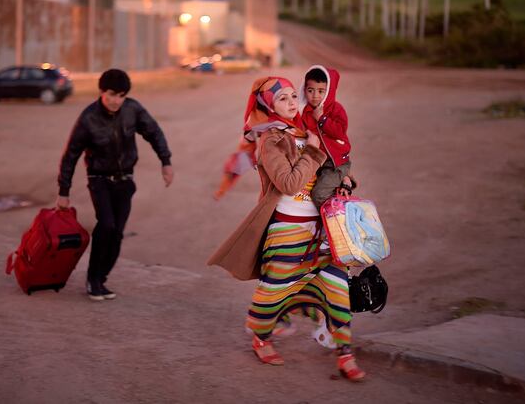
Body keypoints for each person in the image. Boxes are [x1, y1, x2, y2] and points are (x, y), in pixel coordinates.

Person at [208, 76, 365, 381]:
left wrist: (346, 179)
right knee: (274, 292)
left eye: (295, 95)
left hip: (321, 230)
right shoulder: (270, 140)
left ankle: (345, 354)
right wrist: (314, 152)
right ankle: (261, 338)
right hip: (287, 231)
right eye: (283, 99)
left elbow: (335, 162)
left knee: (337, 289)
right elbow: (290, 184)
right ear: (268, 104)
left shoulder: (306, 130)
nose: (293, 102)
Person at [56, 69, 174, 301]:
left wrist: (166, 162)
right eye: (111, 95)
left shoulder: (132, 109)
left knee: (117, 233)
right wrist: (64, 191)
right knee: (107, 225)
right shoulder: (88, 118)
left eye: (121, 95)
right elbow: (71, 154)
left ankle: (101, 279)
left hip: (125, 181)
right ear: (102, 92)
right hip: (99, 180)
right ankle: (93, 278)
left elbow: (154, 132)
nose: (116, 101)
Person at [300, 65, 354, 207]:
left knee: (318, 195)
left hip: (335, 163)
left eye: (321, 91)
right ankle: (345, 180)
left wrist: (322, 119)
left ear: (329, 91)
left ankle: (333, 219)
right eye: (310, 90)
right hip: (317, 161)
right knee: (301, 191)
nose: (315, 95)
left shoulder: (336, 109)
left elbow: (339, 132)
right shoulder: (305, 112)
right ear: (304, 90)